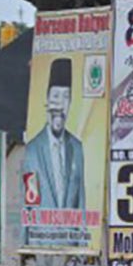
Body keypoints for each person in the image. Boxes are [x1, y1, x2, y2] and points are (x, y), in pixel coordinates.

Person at [23, 58, 86, 210]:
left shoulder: (77, 147)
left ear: (70, 103)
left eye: (66, 97)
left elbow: (81, 203)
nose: (60, 105)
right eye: (56, 96)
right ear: (47, 99)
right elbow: (27, 206)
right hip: (42, 233)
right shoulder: (32, 150)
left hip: (70, 234)